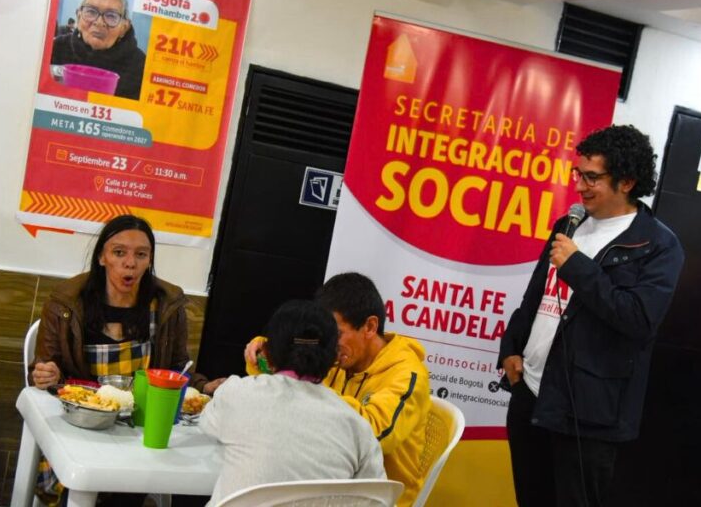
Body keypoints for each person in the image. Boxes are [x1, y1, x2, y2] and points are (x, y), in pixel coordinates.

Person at [498, 125, 685, 507]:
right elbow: (536, 295)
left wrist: (579, 268)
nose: (579, 186)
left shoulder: (658, 245)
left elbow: (637, 319)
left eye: (592, 177)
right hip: (531, 393)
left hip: (588, 412)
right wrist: (511, 348)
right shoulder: (569, 225)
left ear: (627, 181)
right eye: (577, 173)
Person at [30, 214, 225, 507]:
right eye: (119, 252)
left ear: (149, 261)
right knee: (79, 483)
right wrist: (47, 372)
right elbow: (46, 367)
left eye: (141, 254)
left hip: (139, 426)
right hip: (83, 423)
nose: (130, 263)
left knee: (131, 484)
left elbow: (177, 370)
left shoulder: (166, 306)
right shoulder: (66, 302)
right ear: (102, 258)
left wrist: (205, 386)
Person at [244, 273, 431, 507]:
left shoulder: (407, 374)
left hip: (377, 499)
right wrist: (272, 352)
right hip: (325, 482)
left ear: (370, 326)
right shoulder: (341, 356)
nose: (330, 344)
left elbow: (375, 435)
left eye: (338, 334)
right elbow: (289, 380)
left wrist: (314, 390)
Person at [202, 300, 385, 505]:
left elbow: (207, 425)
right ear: (335, 357)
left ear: (267, 353)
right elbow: (378, 498)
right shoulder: (357, 427)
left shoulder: (236, 393)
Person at [50, 0, 145, 99]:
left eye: (111, 16)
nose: (99, 22)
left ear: (124, 27)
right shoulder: (55, 48)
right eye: (91, 12)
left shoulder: (141, 67)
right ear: (78, 17)